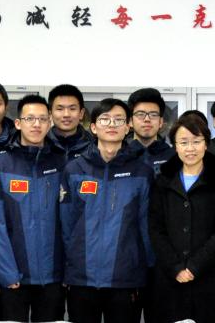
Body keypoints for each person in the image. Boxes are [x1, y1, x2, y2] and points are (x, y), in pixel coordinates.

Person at [60, 98, 154, 323]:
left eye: (118, 119)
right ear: (93, 127)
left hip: (125, 279)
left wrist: (147, 269)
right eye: (105, 119)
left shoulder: (141, 172)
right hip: (82, 278)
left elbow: (146, 226)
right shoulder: (75, 169)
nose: (112, 124)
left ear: (128, 126)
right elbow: (66, 225)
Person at [149, 115, 215, 323]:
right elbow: (155, 228)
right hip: (170, 277)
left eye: (196, 141)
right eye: (184, 142)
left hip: (212, 276)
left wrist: (195, 266)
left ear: (206, 144)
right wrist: (176, 267)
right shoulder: (163, 181)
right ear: (175, 146)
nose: (190, 148)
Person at [0, 95, 67, 322]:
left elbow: (70, 223)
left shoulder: (61, 163)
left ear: (50, 123)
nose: (36, 124)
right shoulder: (1, 165)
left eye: (42, 119)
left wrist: (67, 269)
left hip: (53, 277)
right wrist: (6, 273)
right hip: (14, 277)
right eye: (30, 119)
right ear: (18, 123)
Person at [128, 87, 176, 174]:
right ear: (130, 121)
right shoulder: (119, 157)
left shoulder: (174, 157)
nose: (147, 119)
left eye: (153, 115)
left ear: (160, 122)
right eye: (140, 114)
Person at [47, 84, 95, 164]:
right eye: (60, 109)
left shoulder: (94, 146)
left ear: (81, 113)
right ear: (50, 114)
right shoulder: (40, 145)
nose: (66, 114)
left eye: (72, 109)